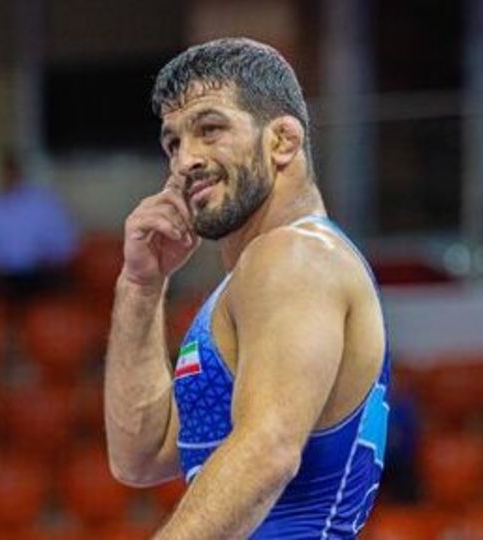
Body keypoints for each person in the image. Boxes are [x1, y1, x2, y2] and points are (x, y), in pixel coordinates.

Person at [104, 38, 390, 539]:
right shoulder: (258, 275)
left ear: (282, 141)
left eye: (209, 130)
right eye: (173, 143)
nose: (184, 161)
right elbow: (140, 457)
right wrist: (141, 285)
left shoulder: (294, 256)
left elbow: (267, 449)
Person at [0, 149, 79, 300]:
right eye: (4, 171)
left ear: (21, 172)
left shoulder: (45, 202)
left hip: (36, 274)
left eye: (12, 170)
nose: (8, 176)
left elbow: (65, 244)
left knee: (57, 279)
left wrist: (48, 258)